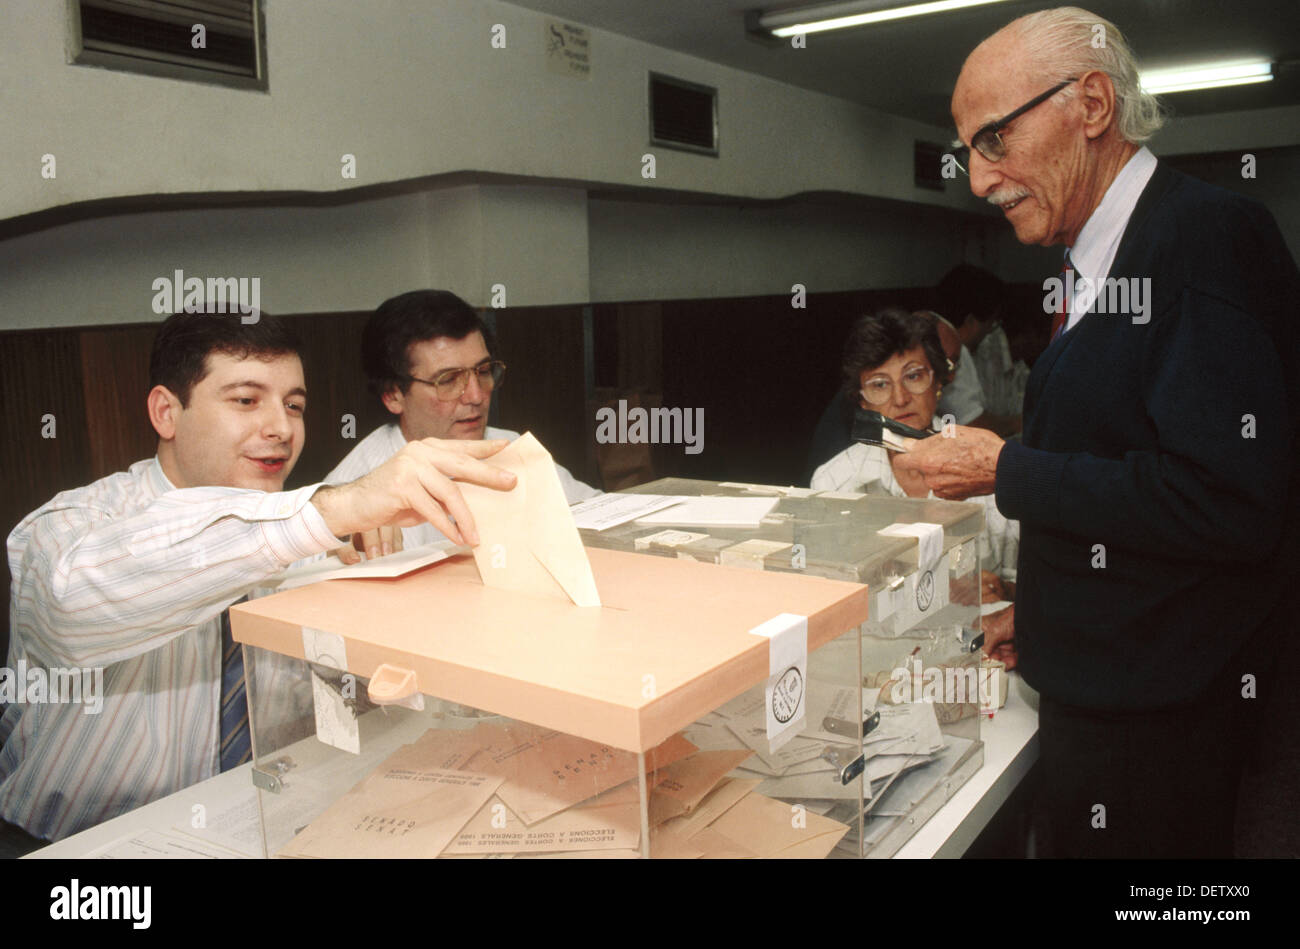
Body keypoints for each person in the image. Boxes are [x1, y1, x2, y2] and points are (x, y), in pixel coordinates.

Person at [895, 7, 1299, 857]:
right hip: (1105, 676)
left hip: (1158, 716)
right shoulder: (1098, 254)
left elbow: (1228, 500)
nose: (977, 178)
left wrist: (1007, 469)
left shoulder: (1203, 237)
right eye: (970, 150)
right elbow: (1125, 462)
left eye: (994, 138)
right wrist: (1042, 611)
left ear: (1090, 104)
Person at [0, 313, 516, 844]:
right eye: (246, 400)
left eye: (294, 405)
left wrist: (377, 607)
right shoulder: (72, 523)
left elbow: (333, 722)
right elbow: (74, 604)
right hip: (78, 847)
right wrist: (324, 516)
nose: (281, 428)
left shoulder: (312, 539)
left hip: (262, 826)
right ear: (166, 412)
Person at [326, 290, 599, 558]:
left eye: (482, 371)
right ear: (393, 395)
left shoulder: (509, 446)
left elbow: (602, 514)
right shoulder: (350, 494)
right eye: (447, 380)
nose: (476, 396)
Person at [810, 308, 1019, 635]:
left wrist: (1004, 589)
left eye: (914, 376)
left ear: (937, 381)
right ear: (862, 400)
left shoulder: (988, 468)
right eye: (880, 384)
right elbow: (829, 601)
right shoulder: (834, 481)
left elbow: (1030, 586)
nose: (900, 398)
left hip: (982, 644)